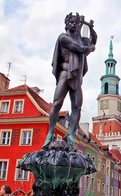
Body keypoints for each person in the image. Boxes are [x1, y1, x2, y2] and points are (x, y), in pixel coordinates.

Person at [43, 12, 97, 148]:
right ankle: (50, 133)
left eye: (76, 22)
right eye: (71, 22)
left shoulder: (81, 39)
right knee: (56, 104)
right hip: (65, 73)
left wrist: (91, 29)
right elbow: (79, 48)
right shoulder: (63, 38)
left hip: (77, 77)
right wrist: (89, 48)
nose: (74, 24)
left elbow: (93, 41)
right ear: (67, 24)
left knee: (77, 107)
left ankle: (71, 133)